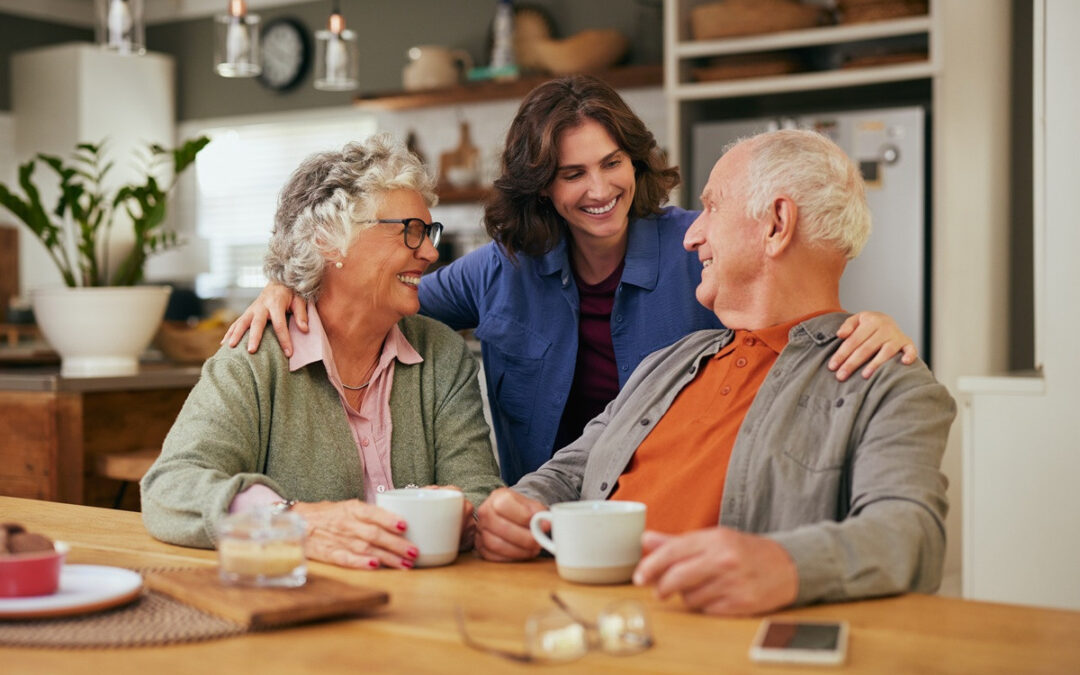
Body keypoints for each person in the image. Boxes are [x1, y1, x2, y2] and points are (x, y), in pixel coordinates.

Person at [222, 75, 918, 485]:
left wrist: (867, 323)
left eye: (611, 163)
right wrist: (293, 287)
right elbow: (379, 298)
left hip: (677, 510)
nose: (598, 189)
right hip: (547, 515)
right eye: (572, 172)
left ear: (636, 163)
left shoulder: (695, 245)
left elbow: (791, 309)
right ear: (542, 186)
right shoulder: (504, 265)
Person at [473, 129, 955, 615]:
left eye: (712, 207)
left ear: (776, 224)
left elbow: (911, 534)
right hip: (579, 622)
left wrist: (786, 565)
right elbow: (568, 473)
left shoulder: (886, 383)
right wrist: (519, 507)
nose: (691, 235)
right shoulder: (669, 361)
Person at [141, 134, 503, 570]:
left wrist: (463, 512)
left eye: (429, 232)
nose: (428, 251)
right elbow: (171, 488)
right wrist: (292, 521)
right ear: (330, 241)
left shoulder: (442, 354)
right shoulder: (257, 356)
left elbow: (479, 493)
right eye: (411, 231)